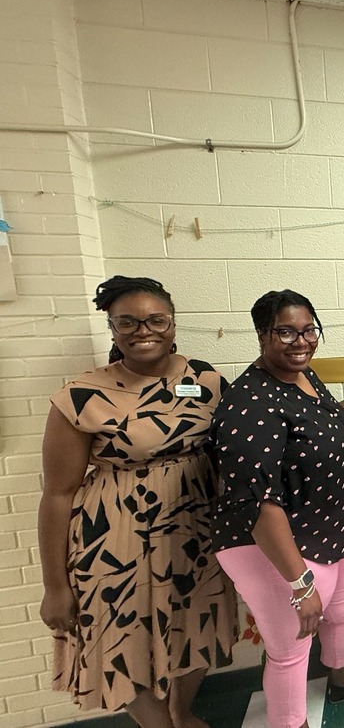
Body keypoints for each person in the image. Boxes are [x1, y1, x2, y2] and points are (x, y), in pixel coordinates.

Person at [38, 276, 238, 727]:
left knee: (197, 623)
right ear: (111, 327)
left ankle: (182, 713)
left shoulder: (205, 379)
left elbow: (232, 450)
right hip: (114, 538)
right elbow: (57, 494)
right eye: (126, 321)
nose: (142, 330)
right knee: (120, 637)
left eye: (155, 320)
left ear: (172, 324)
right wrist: (55, 586)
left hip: (195, 529)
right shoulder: (81, 395)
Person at [211, 290, 344, 728]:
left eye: (309, 330)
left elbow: (320, 422)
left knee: (343, 613)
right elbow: (257, 504)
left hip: (334, 528)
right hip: (277, 545)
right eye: (286, 332)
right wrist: (299, 584)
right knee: (290, 650)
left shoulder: (305, 377)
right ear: (262, 334)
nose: (301, 341)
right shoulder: (248, 402)